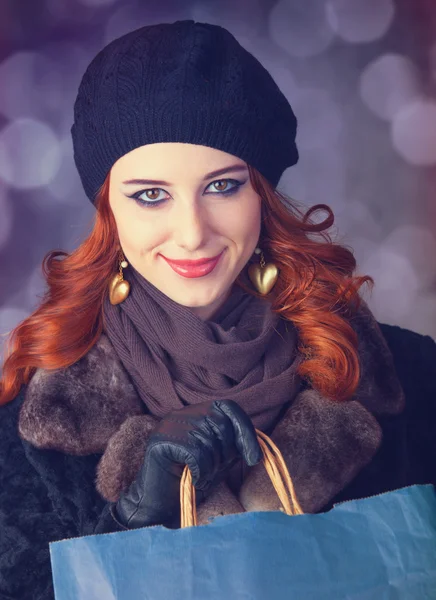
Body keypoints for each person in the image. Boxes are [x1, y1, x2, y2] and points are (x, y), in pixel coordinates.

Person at [0, 19, 435, 600]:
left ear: (262, 195)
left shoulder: (410, 374)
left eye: (222, 187)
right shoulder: (34, 424)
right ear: (109, 210)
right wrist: (133, 516)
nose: (191, 234)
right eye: (151, 195)